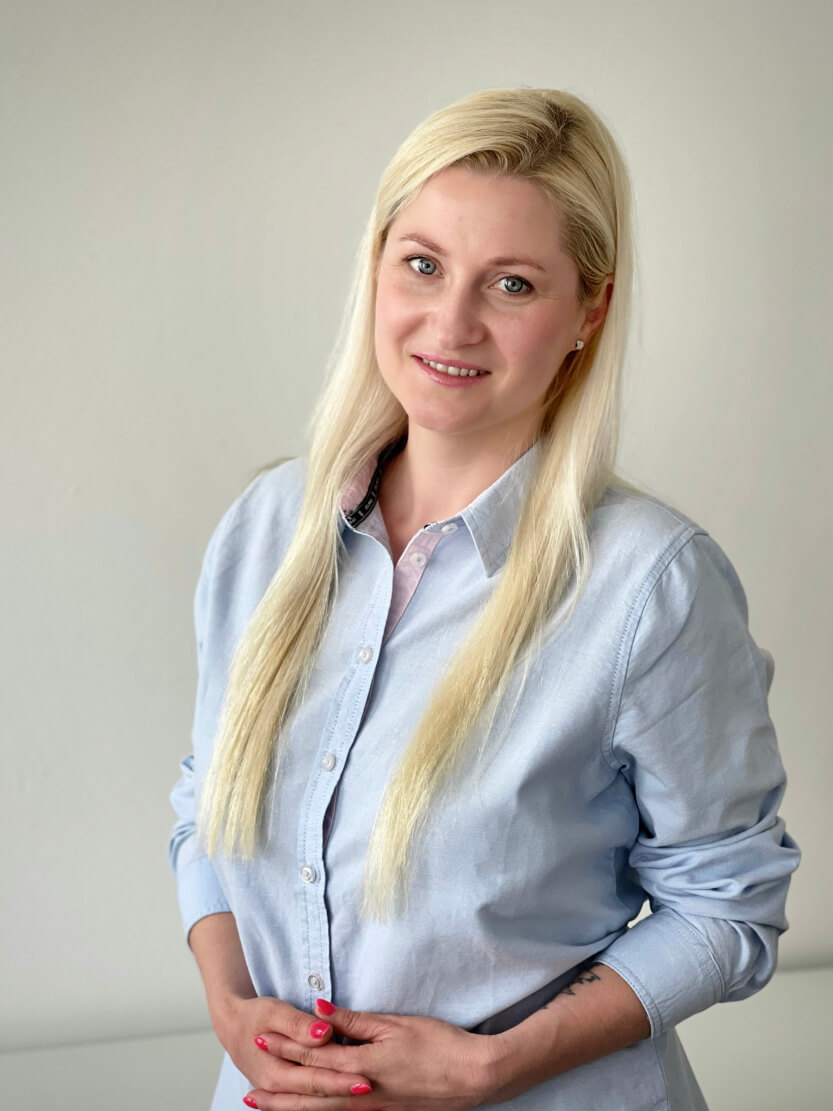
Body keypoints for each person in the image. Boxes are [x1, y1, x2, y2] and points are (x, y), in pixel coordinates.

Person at [169, 87, 799, 1111]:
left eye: (511, 283)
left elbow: (727, 908)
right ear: (376, 264)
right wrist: (228, 1001)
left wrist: (488, 1067)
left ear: (588, 310)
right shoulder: (266, 528)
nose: (450, 322)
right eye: (422, 264)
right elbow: (205, 798)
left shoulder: (652, 583)